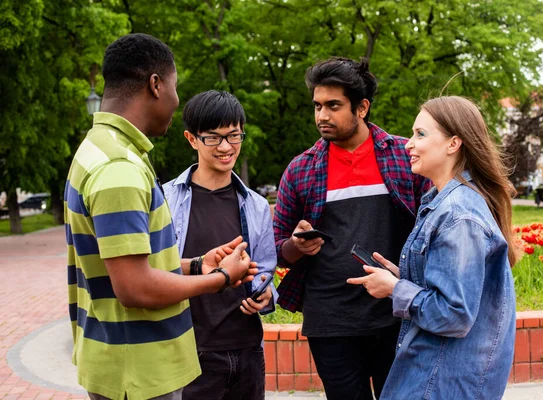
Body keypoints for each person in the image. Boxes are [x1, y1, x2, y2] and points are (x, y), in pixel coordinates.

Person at [64, 34, 258, 400]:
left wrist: (197, 265)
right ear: (155, 84)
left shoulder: (98, 150)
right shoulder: (119, 167)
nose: (176, 100)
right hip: (138, 371)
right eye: (174, 86)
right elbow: (135, 287)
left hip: (119, 358)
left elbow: (122, 266)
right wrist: (220, 278)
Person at [273, 57, 430, 400]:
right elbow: (277, 250)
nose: (321, 116)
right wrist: (297, 246)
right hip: (331, 320)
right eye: (317, 106)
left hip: (396, 312)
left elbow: (434, 230)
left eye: (333, 105)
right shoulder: (301, 169)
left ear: (362, 107)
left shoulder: (406, 157)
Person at [347, 96, 517, 399]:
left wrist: (394, 289)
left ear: (453, 144)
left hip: (442, 382)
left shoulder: (458, 215)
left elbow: (453, 314)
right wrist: (402, 277)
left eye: (420, 134)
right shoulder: (443, 204)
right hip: (435, 375)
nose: (408, 144)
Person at [163, 90, 278, 400]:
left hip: (247, 349)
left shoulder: (255, 205)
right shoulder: (166, 200)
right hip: (190, 350)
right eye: (213, 138)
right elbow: (155, 270)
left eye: (234, 135)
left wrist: (265, 294)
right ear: (191, 139)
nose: (226, 147)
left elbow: (266, 269)